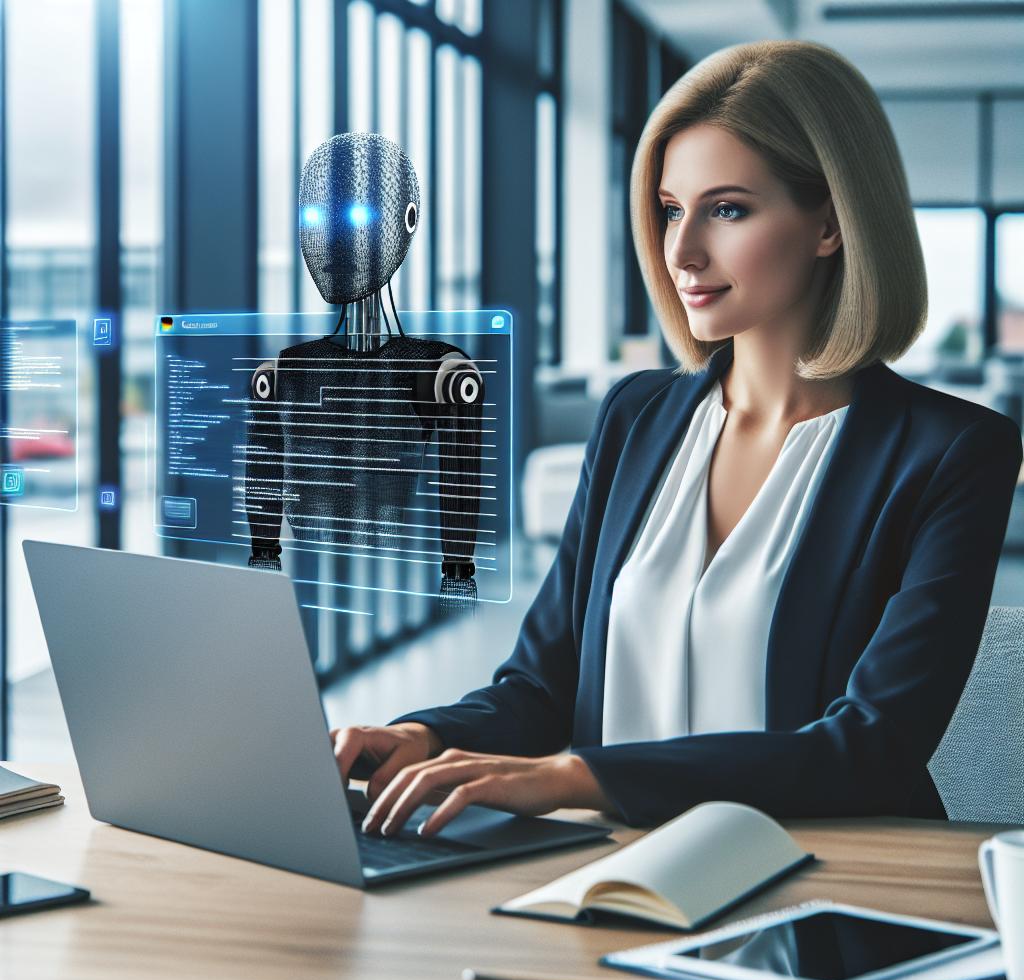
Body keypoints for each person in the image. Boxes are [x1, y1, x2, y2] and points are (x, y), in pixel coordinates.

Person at [331, 40, 1023, 839]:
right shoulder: (637, 418)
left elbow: (869, 750)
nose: (682, 250)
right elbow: (540, 687)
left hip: (826, 879)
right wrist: (426, 736)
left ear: (831, 223)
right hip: (612, 874)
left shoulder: (951, 452)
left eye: (728, 209)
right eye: (669, 209)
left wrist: (580, 777)